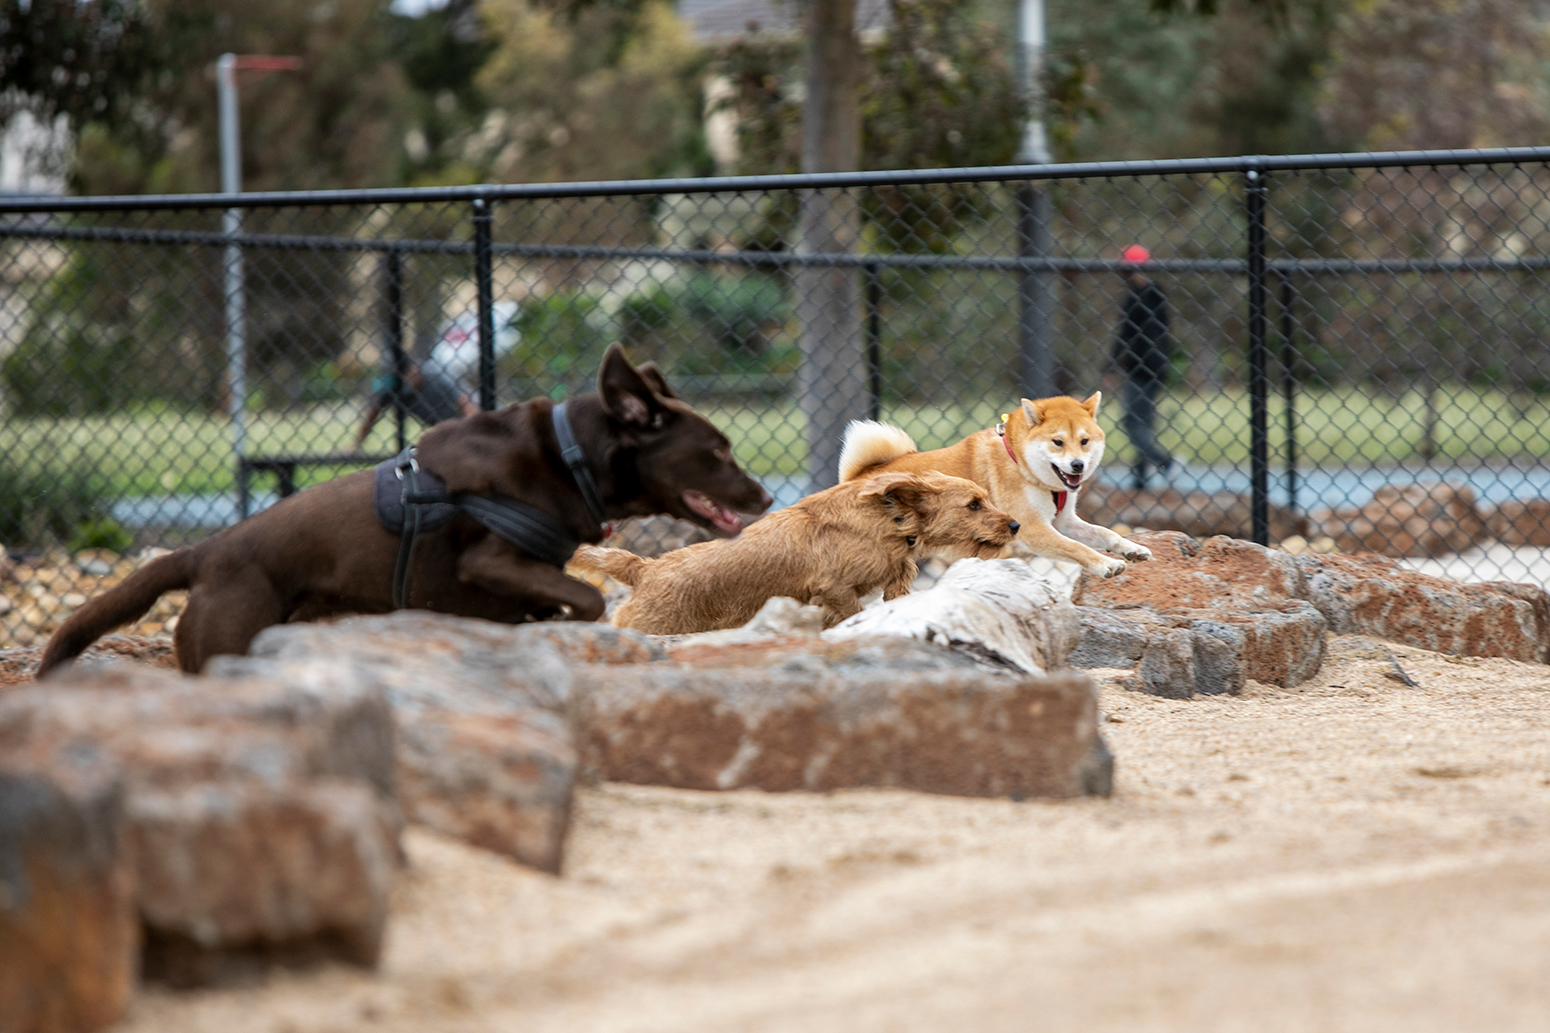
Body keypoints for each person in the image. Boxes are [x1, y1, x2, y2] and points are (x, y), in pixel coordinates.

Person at [1112, 244, 1174, 490]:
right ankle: (1140, 478)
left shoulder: (1144, 296)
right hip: (1151, 366)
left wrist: (1113, 363)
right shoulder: (1152, 294)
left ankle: (1164, 462)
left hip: (1143, 368)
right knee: (1142, 422)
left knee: (1132, 421)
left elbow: (1127, 335)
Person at [352, 359, 478, 452]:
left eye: (408, 373)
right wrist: (355, 446)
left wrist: (473, 430)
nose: (407, 379)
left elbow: (467, 404)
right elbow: (372, 414)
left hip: (471, 416)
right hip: (446, 428)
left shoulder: (435, 376)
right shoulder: (394, 389)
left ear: (415, 369)